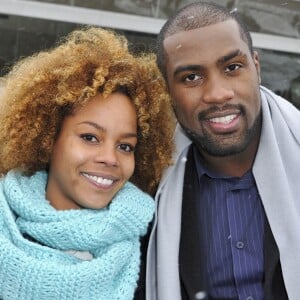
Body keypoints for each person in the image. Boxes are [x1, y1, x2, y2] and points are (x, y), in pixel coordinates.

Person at [0, 26, 174, 300]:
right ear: (49, 137)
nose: (109, 157)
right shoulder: (5, 228)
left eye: (125, 146)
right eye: (90, 137)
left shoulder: (152, 246)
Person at [145, 2, 300, 300]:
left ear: (256, 66)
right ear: (167, 90)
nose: (217, 93)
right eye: (191, 77)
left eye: (232, 68)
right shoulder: (144, 186)